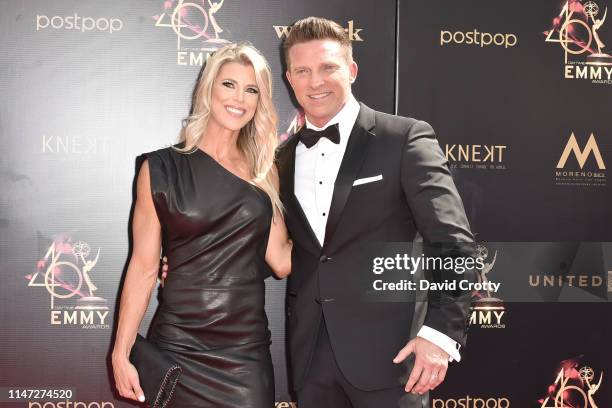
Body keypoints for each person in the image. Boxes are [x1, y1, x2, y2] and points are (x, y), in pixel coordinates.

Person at [276, 17, 474, 407]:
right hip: (311, 362)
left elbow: (453, 243)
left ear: (351, 70)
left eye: (327, 67)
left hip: (392, 359)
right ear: (289, 78)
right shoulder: (282, 158)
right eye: (303, 70)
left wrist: (439, 335)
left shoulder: (403, 138)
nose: (315, 82)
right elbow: (278, 248)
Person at [111, 43, 292, 408]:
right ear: (208, 89)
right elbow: (145, 267)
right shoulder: (160, 169)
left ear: (260, 100)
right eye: (229, 84)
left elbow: (282, 260)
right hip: (177, 347)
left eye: (251, 89)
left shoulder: (264, 171)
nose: (239, 98)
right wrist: (121, 350)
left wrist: (347, 225)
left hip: (245, 355)